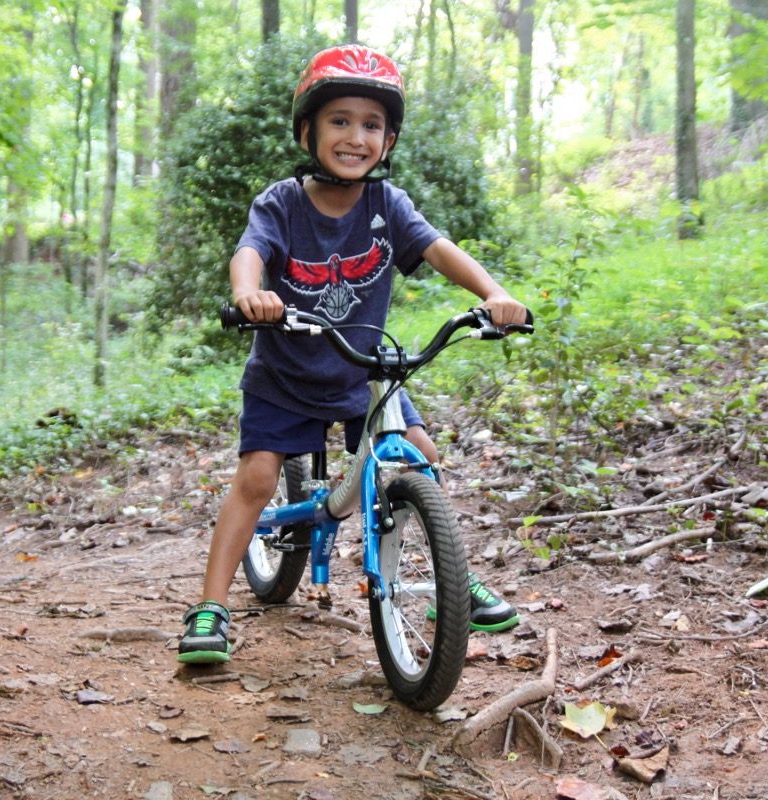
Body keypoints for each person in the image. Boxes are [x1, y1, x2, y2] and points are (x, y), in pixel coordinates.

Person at [178, 44, 527, 665]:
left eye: (372, 125)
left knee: (421, 455)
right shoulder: (281, 203)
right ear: (308, 129)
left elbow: (441, 250)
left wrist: (495, 293)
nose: (355, 136)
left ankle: (445, 579)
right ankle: (212, 607)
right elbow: (250, 252)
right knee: (258, 477)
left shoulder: (386, 206)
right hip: (285, 374)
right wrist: (248, 293)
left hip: (363, 370)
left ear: (388, 140)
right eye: (339, 120)